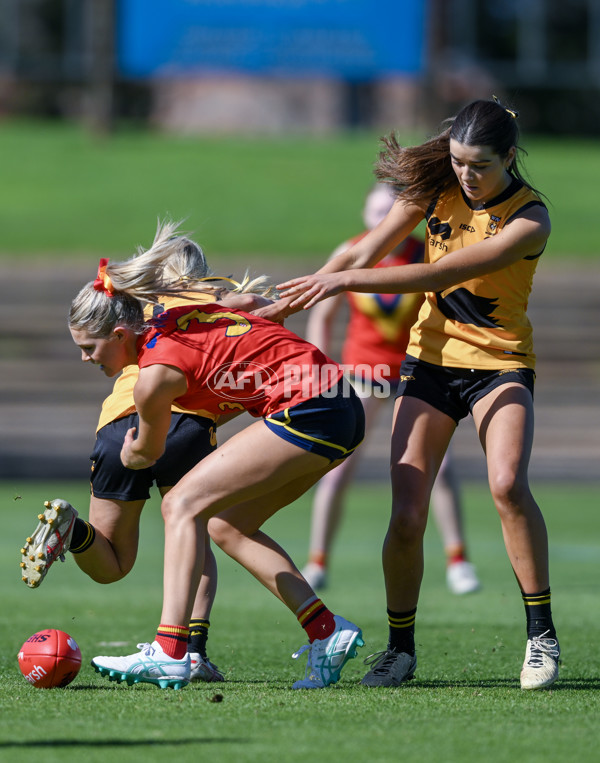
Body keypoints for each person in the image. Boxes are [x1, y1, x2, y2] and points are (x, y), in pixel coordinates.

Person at [274, 98, 560, 690]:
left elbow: (437, 274)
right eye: (457, 161)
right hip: (428, 363)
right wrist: (288, 299)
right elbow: (361, 249)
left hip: (499, 365)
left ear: (510, 157)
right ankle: (400, 649)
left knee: (506, 485)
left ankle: (541, 636)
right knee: (406, 513)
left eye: (479, 164)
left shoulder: (530, 218)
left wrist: (346, 280)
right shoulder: (434, 187)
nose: (465, 174)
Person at [62, 221, 365, 690]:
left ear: (121, 334)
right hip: (339, 408)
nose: (86, 359)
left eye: (90, 348)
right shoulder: (176, 318)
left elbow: (147, 451)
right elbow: (242, 304)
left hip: (308, 408)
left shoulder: (154, 376)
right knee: (226, 524)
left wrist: (133, 452)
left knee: (179, 505)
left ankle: (170, 649)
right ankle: (326, 632)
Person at [20, 247, 272, 682]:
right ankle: (192, 652)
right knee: (195, 532)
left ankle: (74, 531)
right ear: (202, 274)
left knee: (113, 567)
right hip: (185, 425)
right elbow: (248, 306)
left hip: (117, 430)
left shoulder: (141, 309)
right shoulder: (206, 302)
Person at [300, 183, 480, 596]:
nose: (382, 219)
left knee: (443, 466)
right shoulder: (351, 252)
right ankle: (318, 562)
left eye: (390, 212)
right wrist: (320, 369)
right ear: (364, 212)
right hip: (362, 372)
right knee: (336, 467)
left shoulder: (427, 254)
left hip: (417, 374)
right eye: (376, 211)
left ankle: (458, 561)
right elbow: (322, 315)